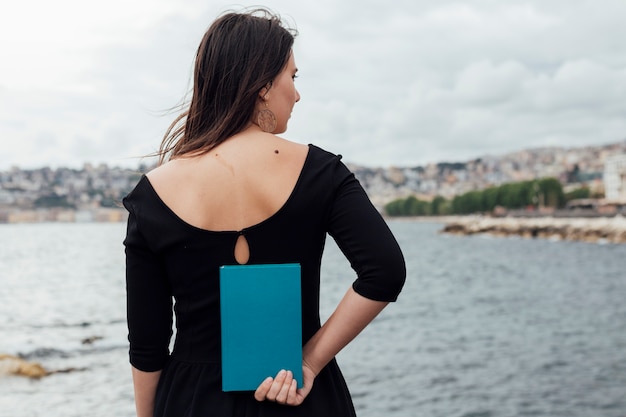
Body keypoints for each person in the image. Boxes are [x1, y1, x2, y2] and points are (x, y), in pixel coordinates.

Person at [123, 8, 405, 417]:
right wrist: (309, 361)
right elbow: (385, 270)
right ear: (260, 84)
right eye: (292, 76)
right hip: (299, 396)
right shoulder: (320, 171)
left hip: (192, 402)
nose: (297, 92)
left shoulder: (152, 194)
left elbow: (147, 346)